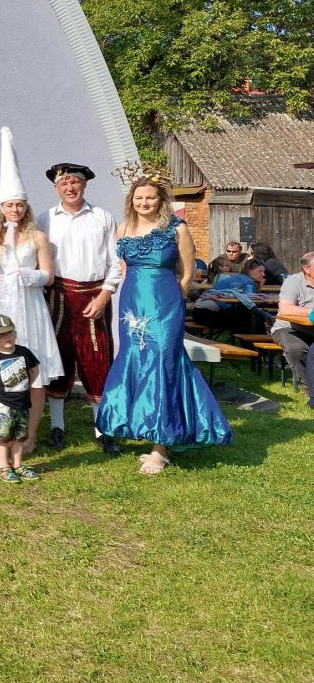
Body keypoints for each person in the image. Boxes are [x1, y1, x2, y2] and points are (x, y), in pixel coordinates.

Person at [96, 172, 232, 474]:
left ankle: (161, 447)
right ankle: (144, 427)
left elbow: (188, 272)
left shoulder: (176, 228)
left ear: (161, 200)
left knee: (162, 364)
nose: (144, 202)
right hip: (132, 307)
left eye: (150, 198)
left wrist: (173, 301)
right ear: (131, 200)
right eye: (139, 198)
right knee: (135, 361)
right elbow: (124, 269)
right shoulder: (124, 228)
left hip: (165, 306)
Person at [0, 127, 64, 455]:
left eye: (20, 205)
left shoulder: (37, 237)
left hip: (29, 307)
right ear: (2, 207)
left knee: (33, 370)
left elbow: (48, 276)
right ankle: (1, 432)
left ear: (26, 207)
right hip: (2, 305)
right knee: (1, 367)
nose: (15, 210)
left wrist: (25, 275)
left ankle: (30, 434)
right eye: (10, 205)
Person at [37, 163, 122, 452]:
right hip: (58, 296)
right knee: (58, 358)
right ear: (56, 188)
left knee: (97, 359)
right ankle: (57, 427)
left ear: (84, 185)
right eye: (64, 183)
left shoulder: (102, 217)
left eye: (75, 182)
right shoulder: (45, 219)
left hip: (93, 296)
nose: (70, 188)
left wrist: (105, 295)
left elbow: (115, 262)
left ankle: (102, 429)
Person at [0, 315, 42, 484]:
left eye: (9, 332)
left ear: (15, 333)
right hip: (2, 406)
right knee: (2, 437)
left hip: (22, 403)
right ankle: (4, 467)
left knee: (19, 437)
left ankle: (18, 465)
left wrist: (27, 385)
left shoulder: (24, 352)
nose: (6, 337)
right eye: (0, 335)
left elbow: (34, 369)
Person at [274, 252, 314, 406]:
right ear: (306, 268)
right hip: (290, 327)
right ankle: (310, 388)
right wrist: (311, 311)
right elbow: (285, 309)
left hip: (311, 328)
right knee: (296, 348)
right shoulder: (293, 281)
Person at [190, 259, 266, 333]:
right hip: (207, 313)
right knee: (250, 317)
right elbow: (250, 303)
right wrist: (267, 316)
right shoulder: (248, 282)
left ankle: (252, 339)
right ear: (249, 271)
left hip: (198, 312)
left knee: (246, 316)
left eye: (263, 271)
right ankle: (259, 339)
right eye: (260, 271)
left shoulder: (239, 277)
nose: (263, 274)